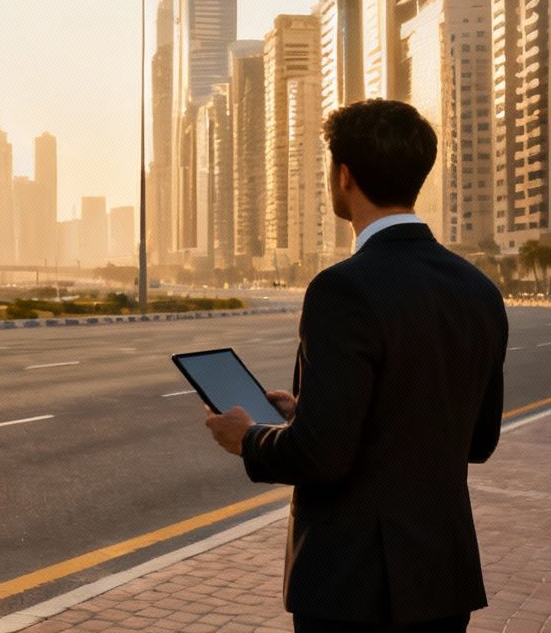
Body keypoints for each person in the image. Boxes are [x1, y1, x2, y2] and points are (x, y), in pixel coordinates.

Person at [203, 99, 509, 633]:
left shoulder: (342, 288)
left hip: (353, 586)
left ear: (343, 176)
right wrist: (309, 410)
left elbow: (322, 456)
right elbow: (477, 439)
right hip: (442, 577)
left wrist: (248, 437)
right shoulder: (478, 289)